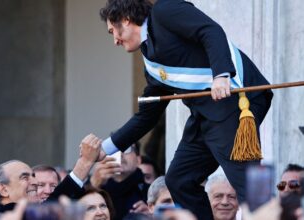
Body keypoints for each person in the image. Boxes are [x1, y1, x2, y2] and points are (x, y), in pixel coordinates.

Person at [98, 0, 273, 219]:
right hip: (204, 118)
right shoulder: (151, 66)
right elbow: (147, 116)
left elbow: (210, 31)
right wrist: (105, 148)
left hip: (235, 104)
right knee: (180, 179)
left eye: (113, 31)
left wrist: (221, 75)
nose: (114, 40)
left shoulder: (164, 11)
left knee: (249, 187)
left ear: (125, 18)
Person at [90, 143, 150, 219]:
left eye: (127, 149)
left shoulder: (149, 192)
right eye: (114, 151)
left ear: (138, 160)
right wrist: (92, 187)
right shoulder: (99, 189)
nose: (120, 154)